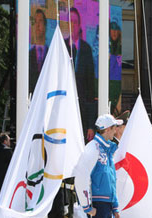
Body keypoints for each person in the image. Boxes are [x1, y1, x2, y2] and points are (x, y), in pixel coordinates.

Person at [66, 7, 96, 142]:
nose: (72, 25)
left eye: (75, 22)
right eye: (70, 22)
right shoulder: (62, 47)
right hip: (66, 107)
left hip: (83, 108)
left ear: (79, 25)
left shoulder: (86, 49)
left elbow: (91, 88)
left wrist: (91, 125)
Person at [108, 110, 129, 218]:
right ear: (119, 128)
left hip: (123, 192)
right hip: (113, 191)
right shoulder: (112, 146)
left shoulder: (123, 145)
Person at [29, 8, 48, 93]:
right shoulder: (28, 55)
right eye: (35, 22)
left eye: (40, 21)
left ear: (45, 25)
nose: (37, 25)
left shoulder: (51, 54)